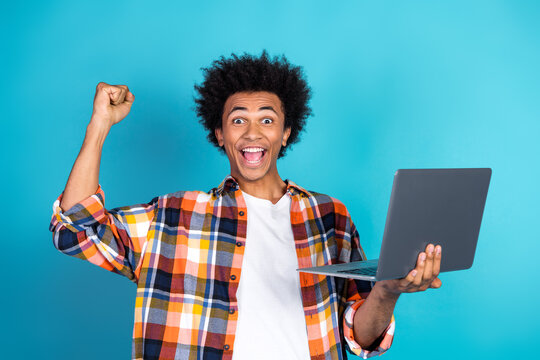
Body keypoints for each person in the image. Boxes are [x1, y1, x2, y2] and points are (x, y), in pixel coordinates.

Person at [49, 51, 442, 360]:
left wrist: (389, 290)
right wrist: (99, 124)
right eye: (238, 121)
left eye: (267, 120)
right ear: (219, 133)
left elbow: (361, 336)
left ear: (286, 133)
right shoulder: (173, 216)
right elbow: (75, 230)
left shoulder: (330, 217)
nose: (253, 132)